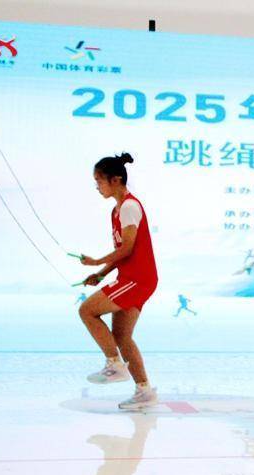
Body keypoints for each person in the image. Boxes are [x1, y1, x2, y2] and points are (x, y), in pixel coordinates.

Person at [78, 153, 159, 410]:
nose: (97, 186)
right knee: (123, 336)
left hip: (138, 278)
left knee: (87, 310)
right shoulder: (117, 210)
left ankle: (114, 364)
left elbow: (127, 249)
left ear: (115, 180)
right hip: (135, 278)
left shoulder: (129, 207)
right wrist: (102, 274)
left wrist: (96, 263)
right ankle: (144, 391)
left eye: (99, 181)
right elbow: (123, 252)